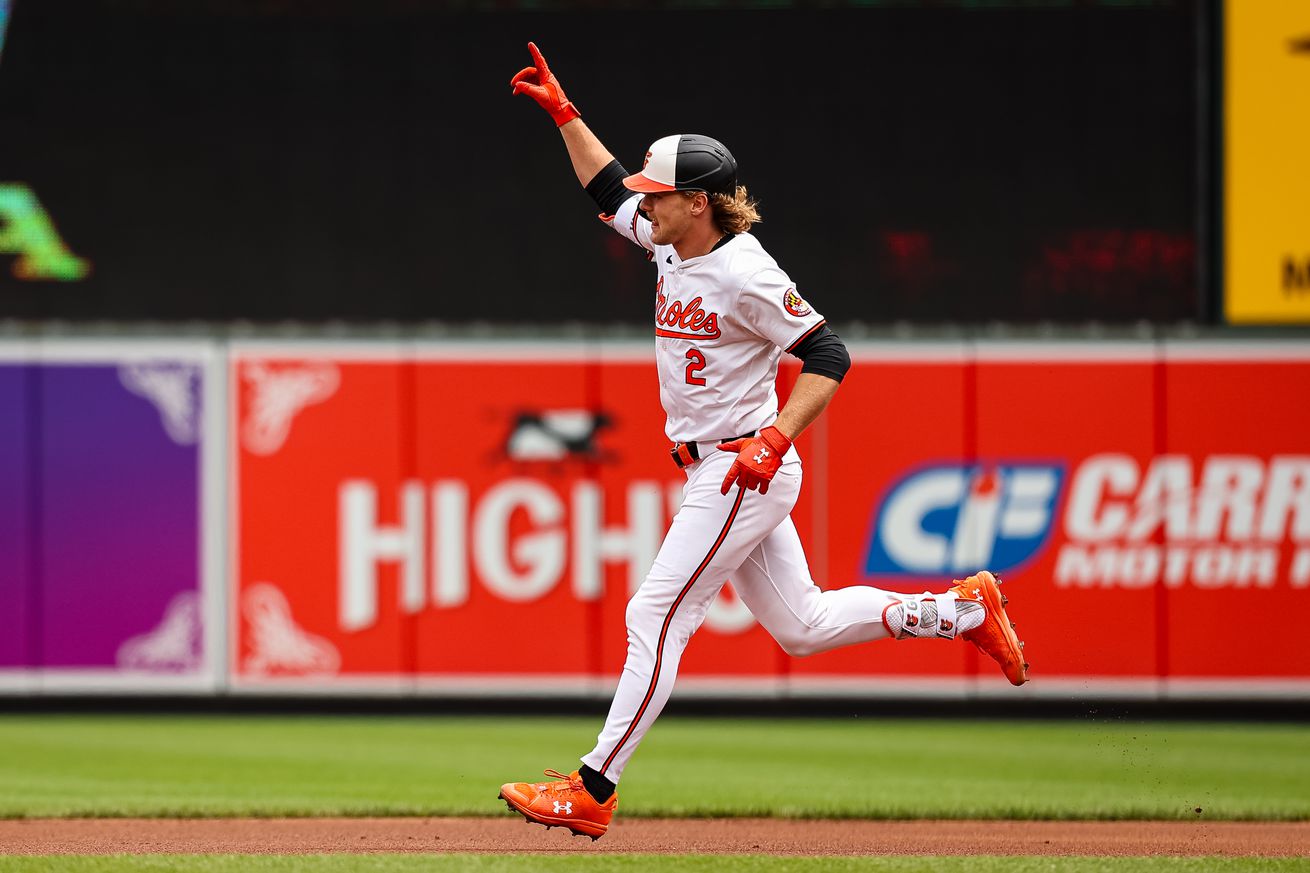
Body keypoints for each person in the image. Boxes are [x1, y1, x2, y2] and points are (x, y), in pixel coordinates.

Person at [498, 42, 1028, 841]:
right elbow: (608, 190)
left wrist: (777, 438)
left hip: (741, 464)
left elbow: (828, 353)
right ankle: (958, 612)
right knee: (804, 625)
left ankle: (594, 785)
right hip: (718, 463)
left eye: (662, 195)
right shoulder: (673, 239)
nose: (646, 205)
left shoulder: (746, 272)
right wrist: (566, 116)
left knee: (655, 613)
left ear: (701, 202)